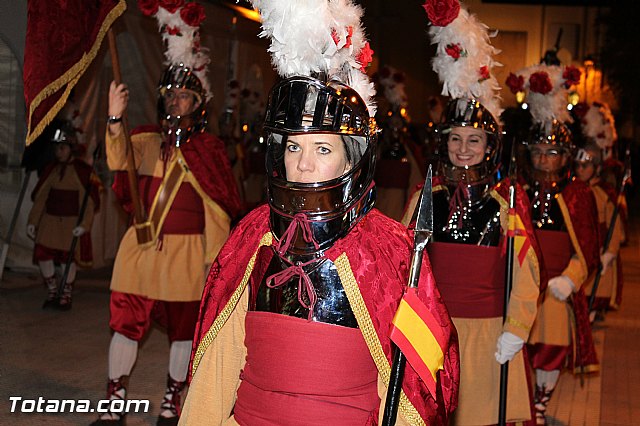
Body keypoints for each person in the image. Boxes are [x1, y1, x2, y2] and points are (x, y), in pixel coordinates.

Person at [179, 1, 459, 424]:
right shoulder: (253, 235)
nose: (302, 164)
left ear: (352, 161)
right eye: (293, 146)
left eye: (322, 149)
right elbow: (219, 361)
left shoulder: (388, 248)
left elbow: (415, 382)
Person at [91, 3, 242, 425]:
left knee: (181, 329)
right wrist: (115, 116)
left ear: (199, 102)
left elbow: (218, 209)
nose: (176, 101)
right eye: (171, 95)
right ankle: (114, 398)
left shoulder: (209, 150)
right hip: (141, 249)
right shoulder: (143, 139)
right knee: (124, 322)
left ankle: (173, 399)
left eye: (185, 95)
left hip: (189, 255)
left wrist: (215, 259)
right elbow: (117, 160)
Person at [402, 5, 540, 423]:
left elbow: (526, 274)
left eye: (474, 140)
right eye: (456, 139)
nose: (464, 149)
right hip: (434, 331)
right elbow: (405, 267)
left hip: (486, 337)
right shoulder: (425, 199)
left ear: (489, 146)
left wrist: (517, 328)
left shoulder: (507, 206)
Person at [509, 63, 600, 426]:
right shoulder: (517, 190)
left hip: (558, 286)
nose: (544, 160)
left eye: (552, 153)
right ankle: (523, 405)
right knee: (520, 346)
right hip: (523, 283)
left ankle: (541, 404)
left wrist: (571, 279)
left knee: (552, 347)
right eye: (538, 153)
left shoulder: (578, 194)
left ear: (566, 157)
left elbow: (587, 247)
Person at [27, 118, 100, 310]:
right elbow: (41, 198)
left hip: (70, 224)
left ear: (71, 148)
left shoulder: (81, 172)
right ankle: (52, 290)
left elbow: (89, 202)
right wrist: (33, 221)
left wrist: (84, 225)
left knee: (68, 258)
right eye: (57, 148)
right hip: (50, 222)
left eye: (63, 148)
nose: (58, 152)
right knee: (43, 254)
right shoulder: (51, 169)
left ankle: (65, 293)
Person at [574, 143, 625, 318]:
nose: (580, 170)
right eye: (578, 166)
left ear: (596, 168)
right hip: (580, 255)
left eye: (585, 166)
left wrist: (609, 253)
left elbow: (614, 227)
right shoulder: (574, 191)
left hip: (599, 255)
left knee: (591, 306)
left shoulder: (604, 194)